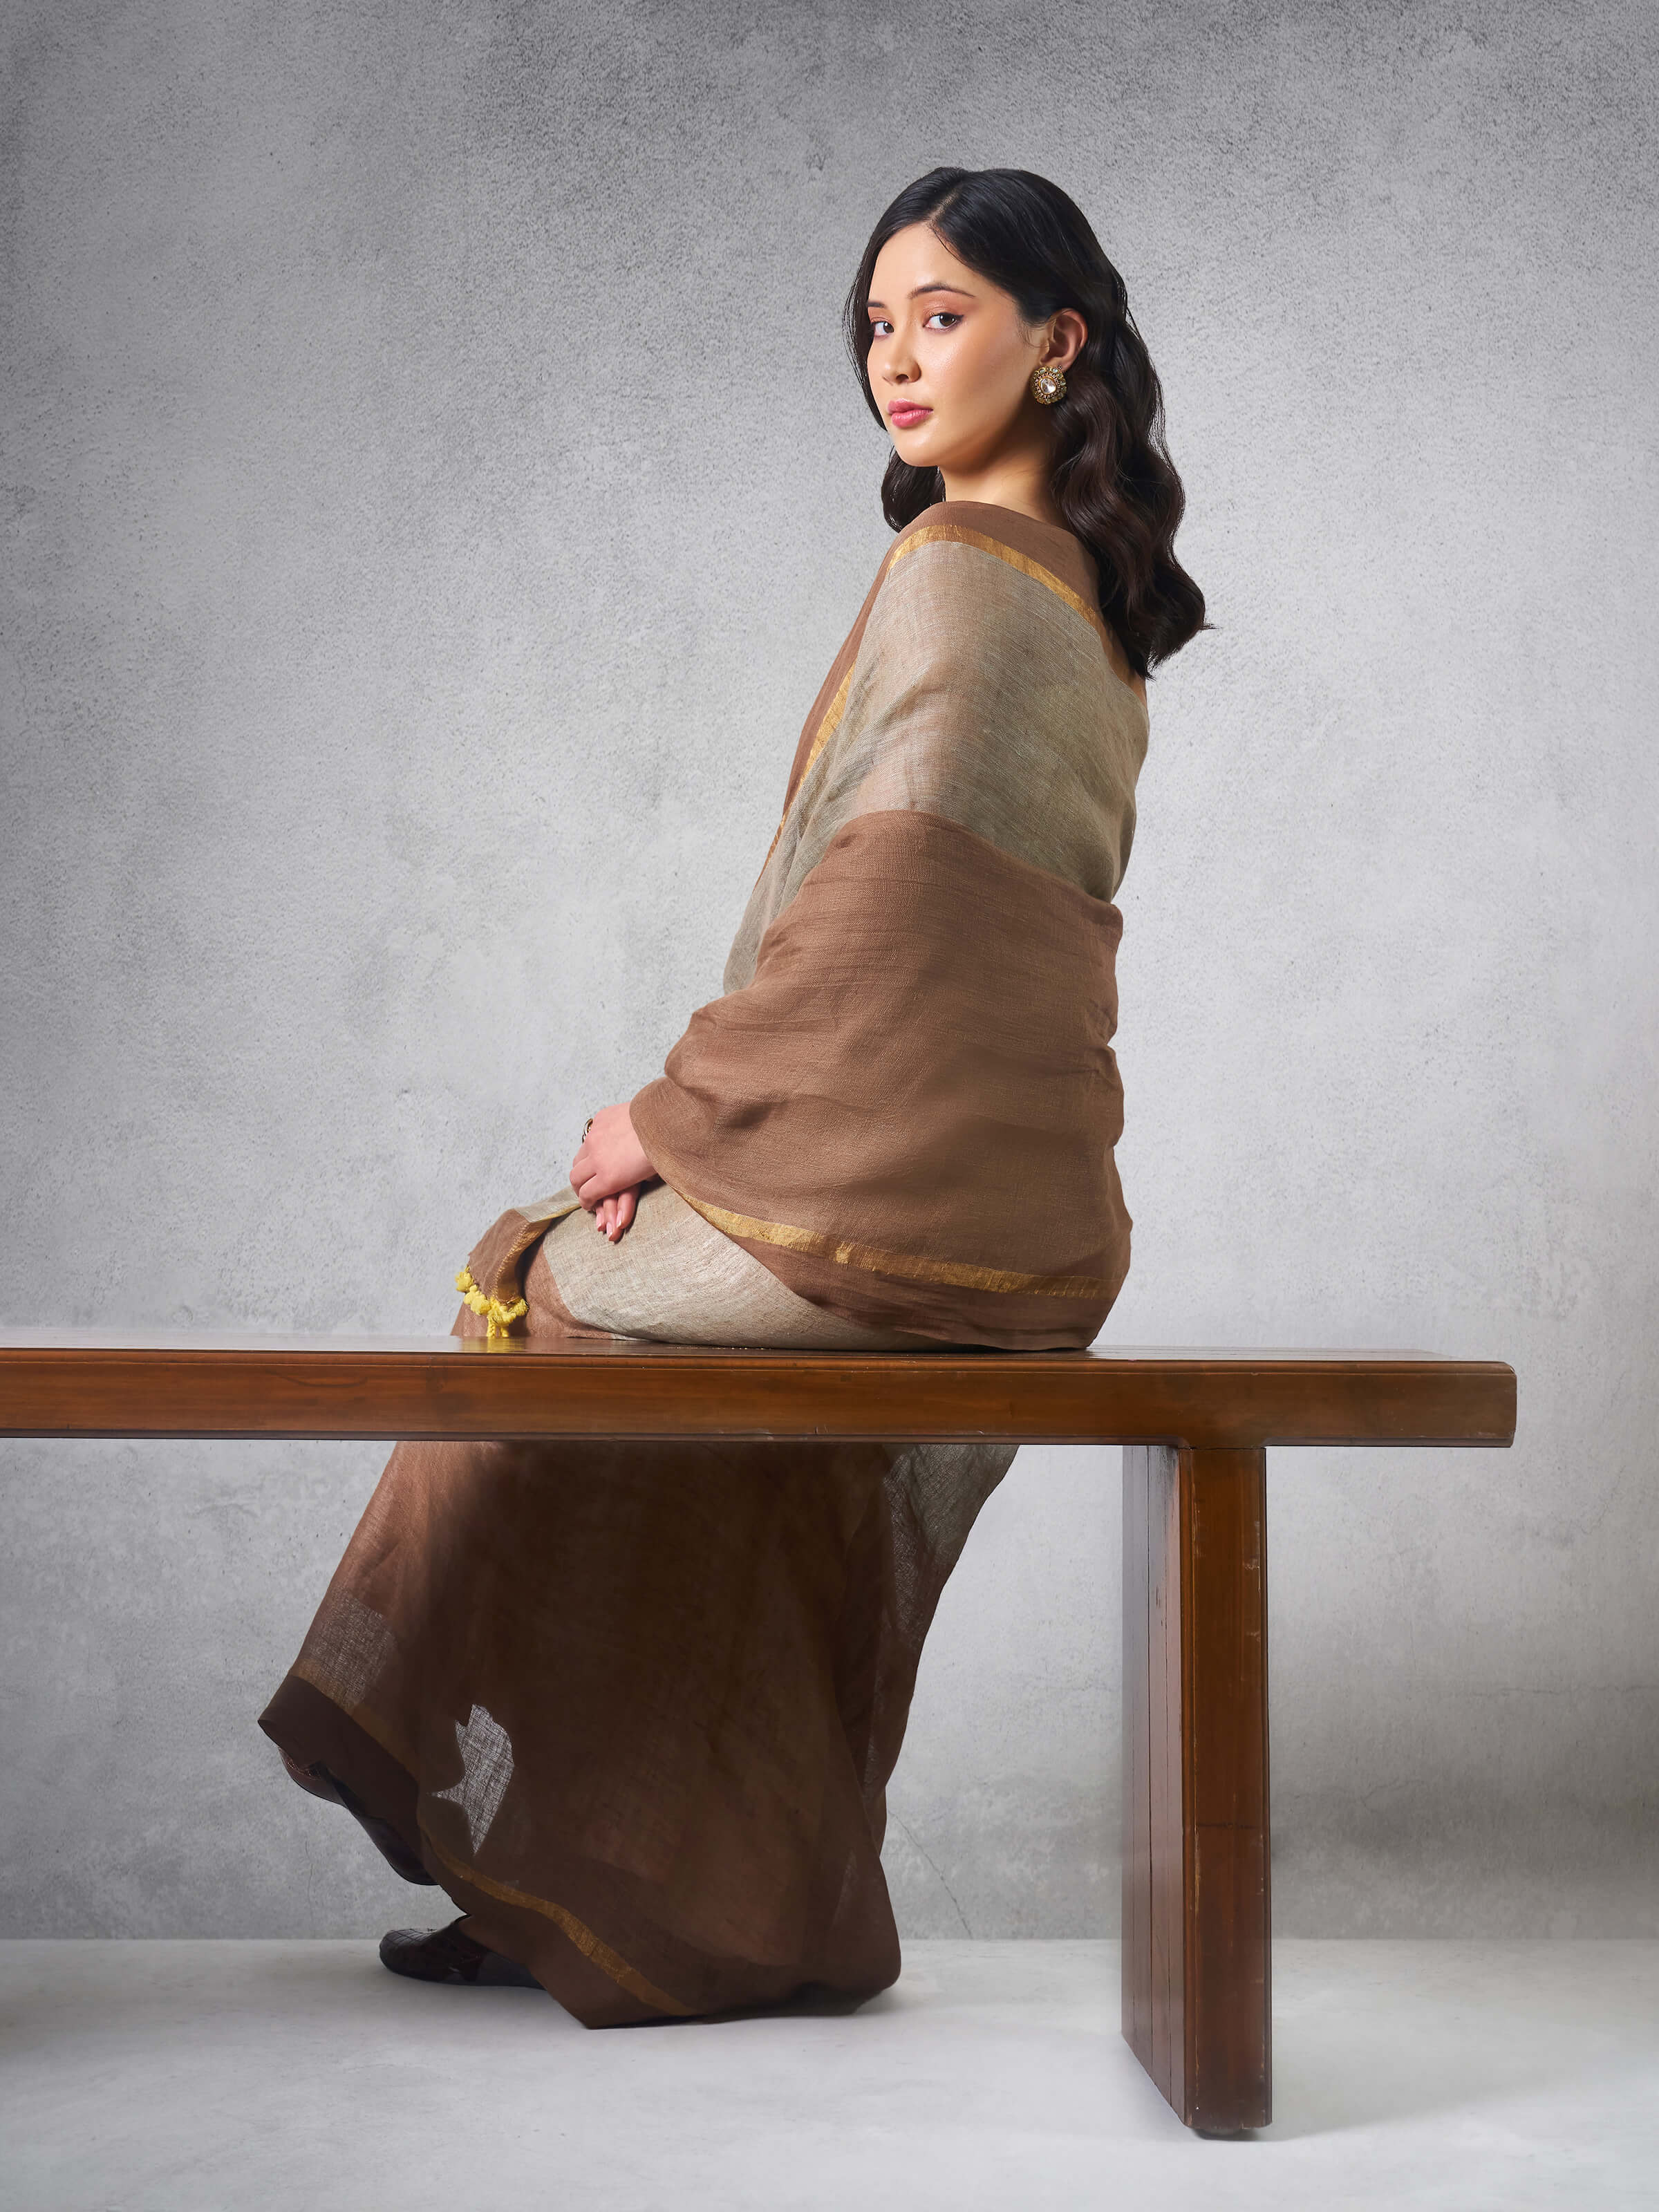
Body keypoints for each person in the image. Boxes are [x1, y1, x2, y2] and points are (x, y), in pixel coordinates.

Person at [260, 166, 1206, 2022]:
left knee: (540, 1293)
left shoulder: (957, 576)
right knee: (679, 1401)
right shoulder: (1093, 607)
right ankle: (615, 1885)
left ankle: (574, 1877)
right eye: (877, 323)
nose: (900, 359)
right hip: (1037, 1222)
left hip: (904, 1199)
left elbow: (890, 931)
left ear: (1057, 338)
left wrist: (670, 1125)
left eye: (943, 313)